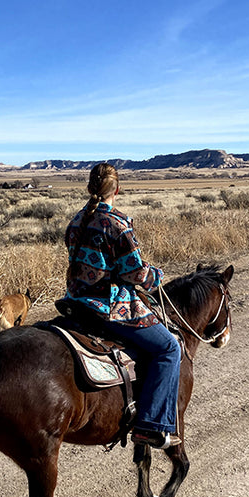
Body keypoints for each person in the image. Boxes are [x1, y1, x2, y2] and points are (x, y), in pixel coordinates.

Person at [63, 162, 181, 449]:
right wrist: (156, 276)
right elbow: (136, 274)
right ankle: (152, 425)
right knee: (169, 349)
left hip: (76, 302)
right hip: (110, 308)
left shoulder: (76, 221)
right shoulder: (117, 223)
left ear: (91, 188)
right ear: (116, 189)